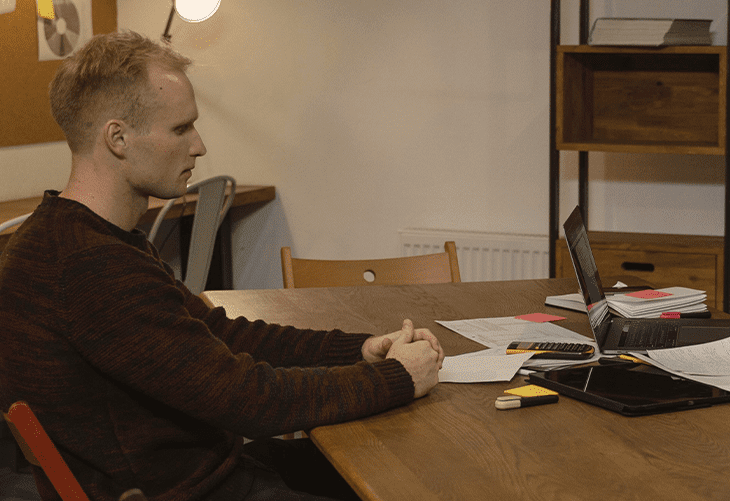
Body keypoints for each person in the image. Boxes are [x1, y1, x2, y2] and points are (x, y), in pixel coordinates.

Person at [0, 30, 445, 501]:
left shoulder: (82, 239)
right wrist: (396, 379)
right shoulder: (89, 265)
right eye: (180, 129)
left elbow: (221, 335)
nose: (199, 145)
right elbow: (245, 399)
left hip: (206, 473)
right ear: (118, 138)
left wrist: (361, 350)